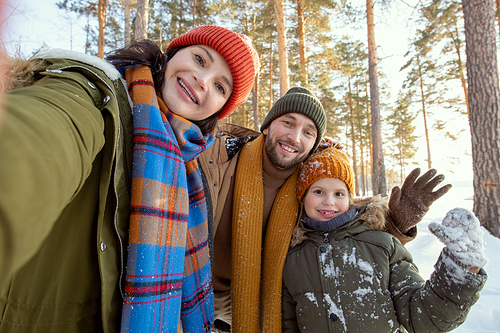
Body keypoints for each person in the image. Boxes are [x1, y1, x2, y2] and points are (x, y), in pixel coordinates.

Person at [0, 25, 259, 333]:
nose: (202, 81)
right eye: (200, 60)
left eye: (220, 86)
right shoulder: (95, 92)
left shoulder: (187, 166)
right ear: (171, 55)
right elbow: (41, 139)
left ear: (220, 109)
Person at [198, 87, 453, 332]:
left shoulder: (311, 187)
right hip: (192, 291)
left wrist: (397, 222)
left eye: (308, 132)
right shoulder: (220, 158)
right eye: (288, 122)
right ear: (267, 126)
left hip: (260, 304)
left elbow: (349, 236)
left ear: (313, 144)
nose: (295, 137)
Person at [281, 143, 487, 332]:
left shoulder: (381, 244)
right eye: (318, 191)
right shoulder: (292, 257)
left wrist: (460, 271)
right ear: (303, 196)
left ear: (351, 198)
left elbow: (422, 316)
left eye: (339, 194)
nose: (329, 201)